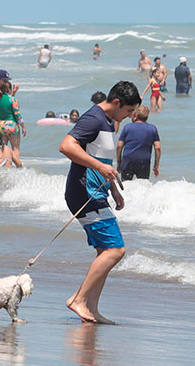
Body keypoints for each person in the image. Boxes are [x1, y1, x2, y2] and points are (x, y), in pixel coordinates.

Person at [58, 80, 141, 324]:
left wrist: (113, 189)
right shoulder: (94, 118)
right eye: (127, 111)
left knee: (105, 252)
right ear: (116, 103)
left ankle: (90, 307)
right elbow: (66, 146)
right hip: (84, 193)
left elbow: (101, 160)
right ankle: (78, 300)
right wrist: (99, 167)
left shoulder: (107, 122)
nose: (128, 117)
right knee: (116, 250)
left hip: (97, 192)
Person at [116, 106, 160, 181]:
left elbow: (119, 145)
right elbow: (157, 147)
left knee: (126, 185)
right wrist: (156, 166)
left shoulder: (127, 127)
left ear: (135, 116)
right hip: (144, 161)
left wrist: (119, 162)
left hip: (128, 160)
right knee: (143, 186)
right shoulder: (152, 128)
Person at [0, 79, 26, 167]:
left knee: (4, 148)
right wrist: (23, 127)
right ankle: (17, 167)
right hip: (12, 126)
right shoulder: (12, 99)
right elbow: (17, 114)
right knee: (15, 149)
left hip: (0, 125)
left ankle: (6, 166)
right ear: (9, 90)